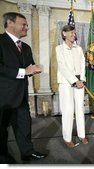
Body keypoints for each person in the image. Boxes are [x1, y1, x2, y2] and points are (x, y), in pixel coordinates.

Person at [0, 12, 46, 163]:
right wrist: (25, 71)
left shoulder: (25, 47)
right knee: (1, 130)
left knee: (24, 127)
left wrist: (34, 69)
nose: (26, 27)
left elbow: (28, 68)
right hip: (3, 98)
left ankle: (27, 152)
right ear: (10, 23)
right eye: (23, 24)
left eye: (27, 25)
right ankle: (3, 156)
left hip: (21, 97)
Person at [56, 25, 88, 148]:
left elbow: (82, 65)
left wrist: (81, 80)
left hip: (80, 82)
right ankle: (67, 138)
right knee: (68, 110)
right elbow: (62, 67)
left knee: (80, 109)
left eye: (74, 33)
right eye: (71, 32)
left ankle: (82, 135)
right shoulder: (59, 49)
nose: (73, 34)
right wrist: (74, 81)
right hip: (66, 83)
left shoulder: (78, 49)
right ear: (64, 33)